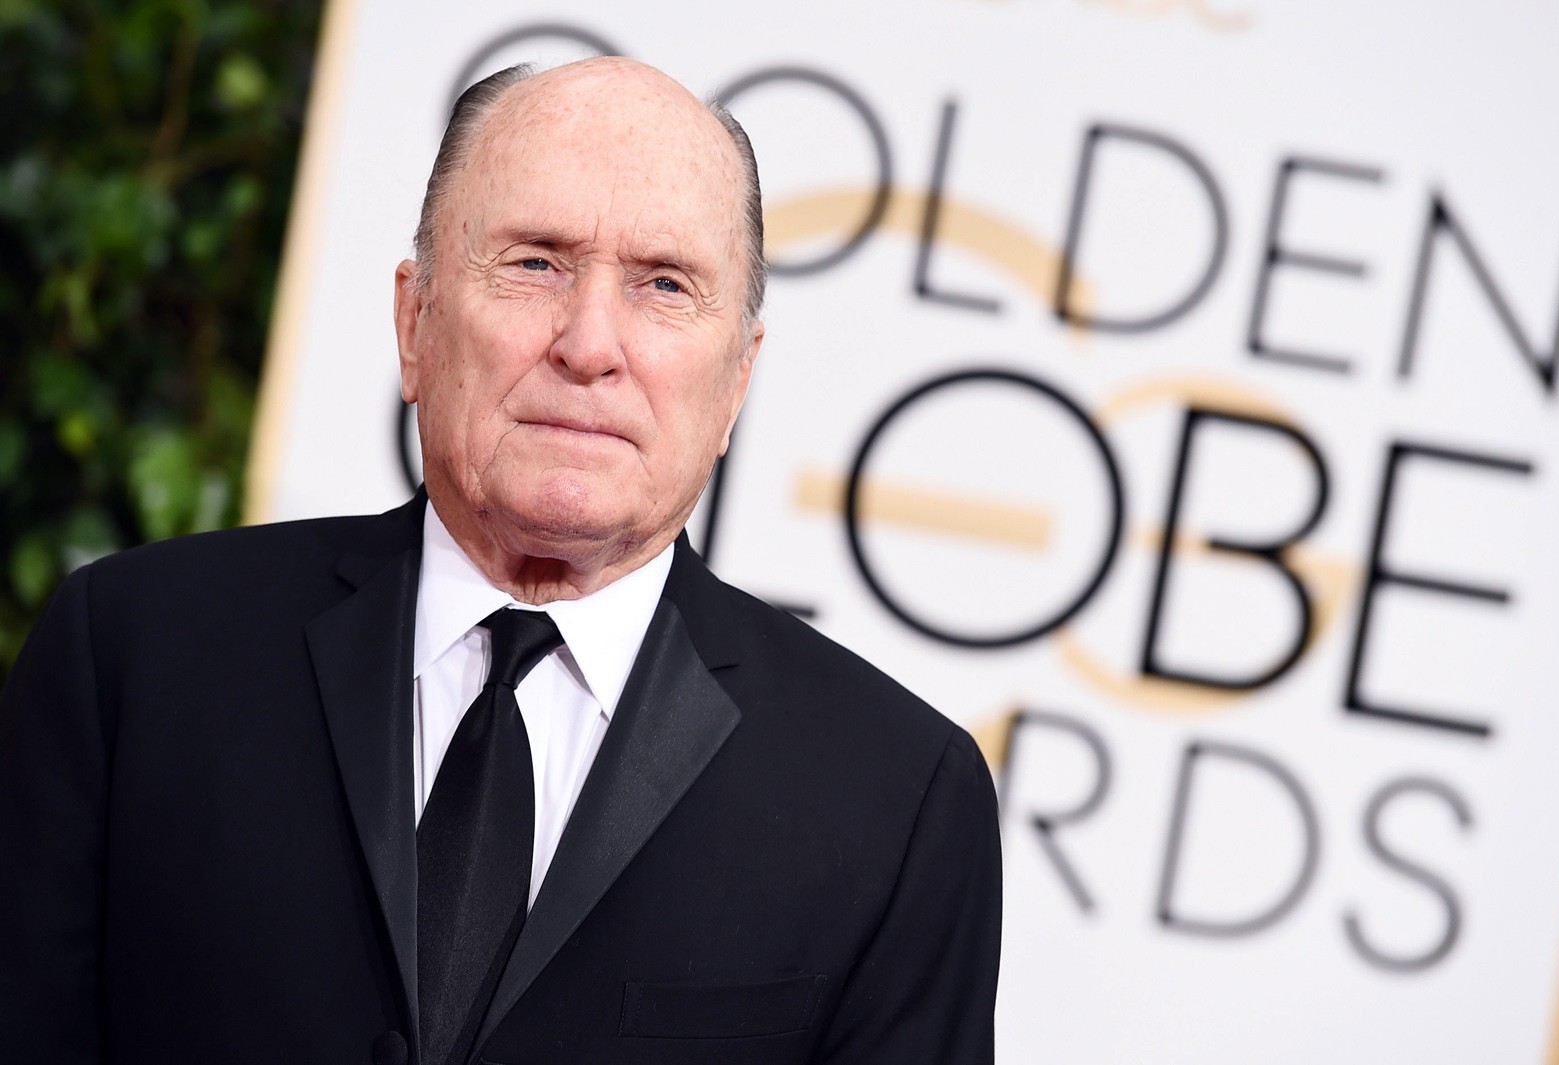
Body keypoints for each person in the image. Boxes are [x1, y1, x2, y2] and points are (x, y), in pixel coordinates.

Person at [0, 57, 1001, 1064]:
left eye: (664, 284)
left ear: (736, 381)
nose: (588, 345)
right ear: (415, 323)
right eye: (535, 264)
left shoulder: (898, 804)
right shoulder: (132, 657)